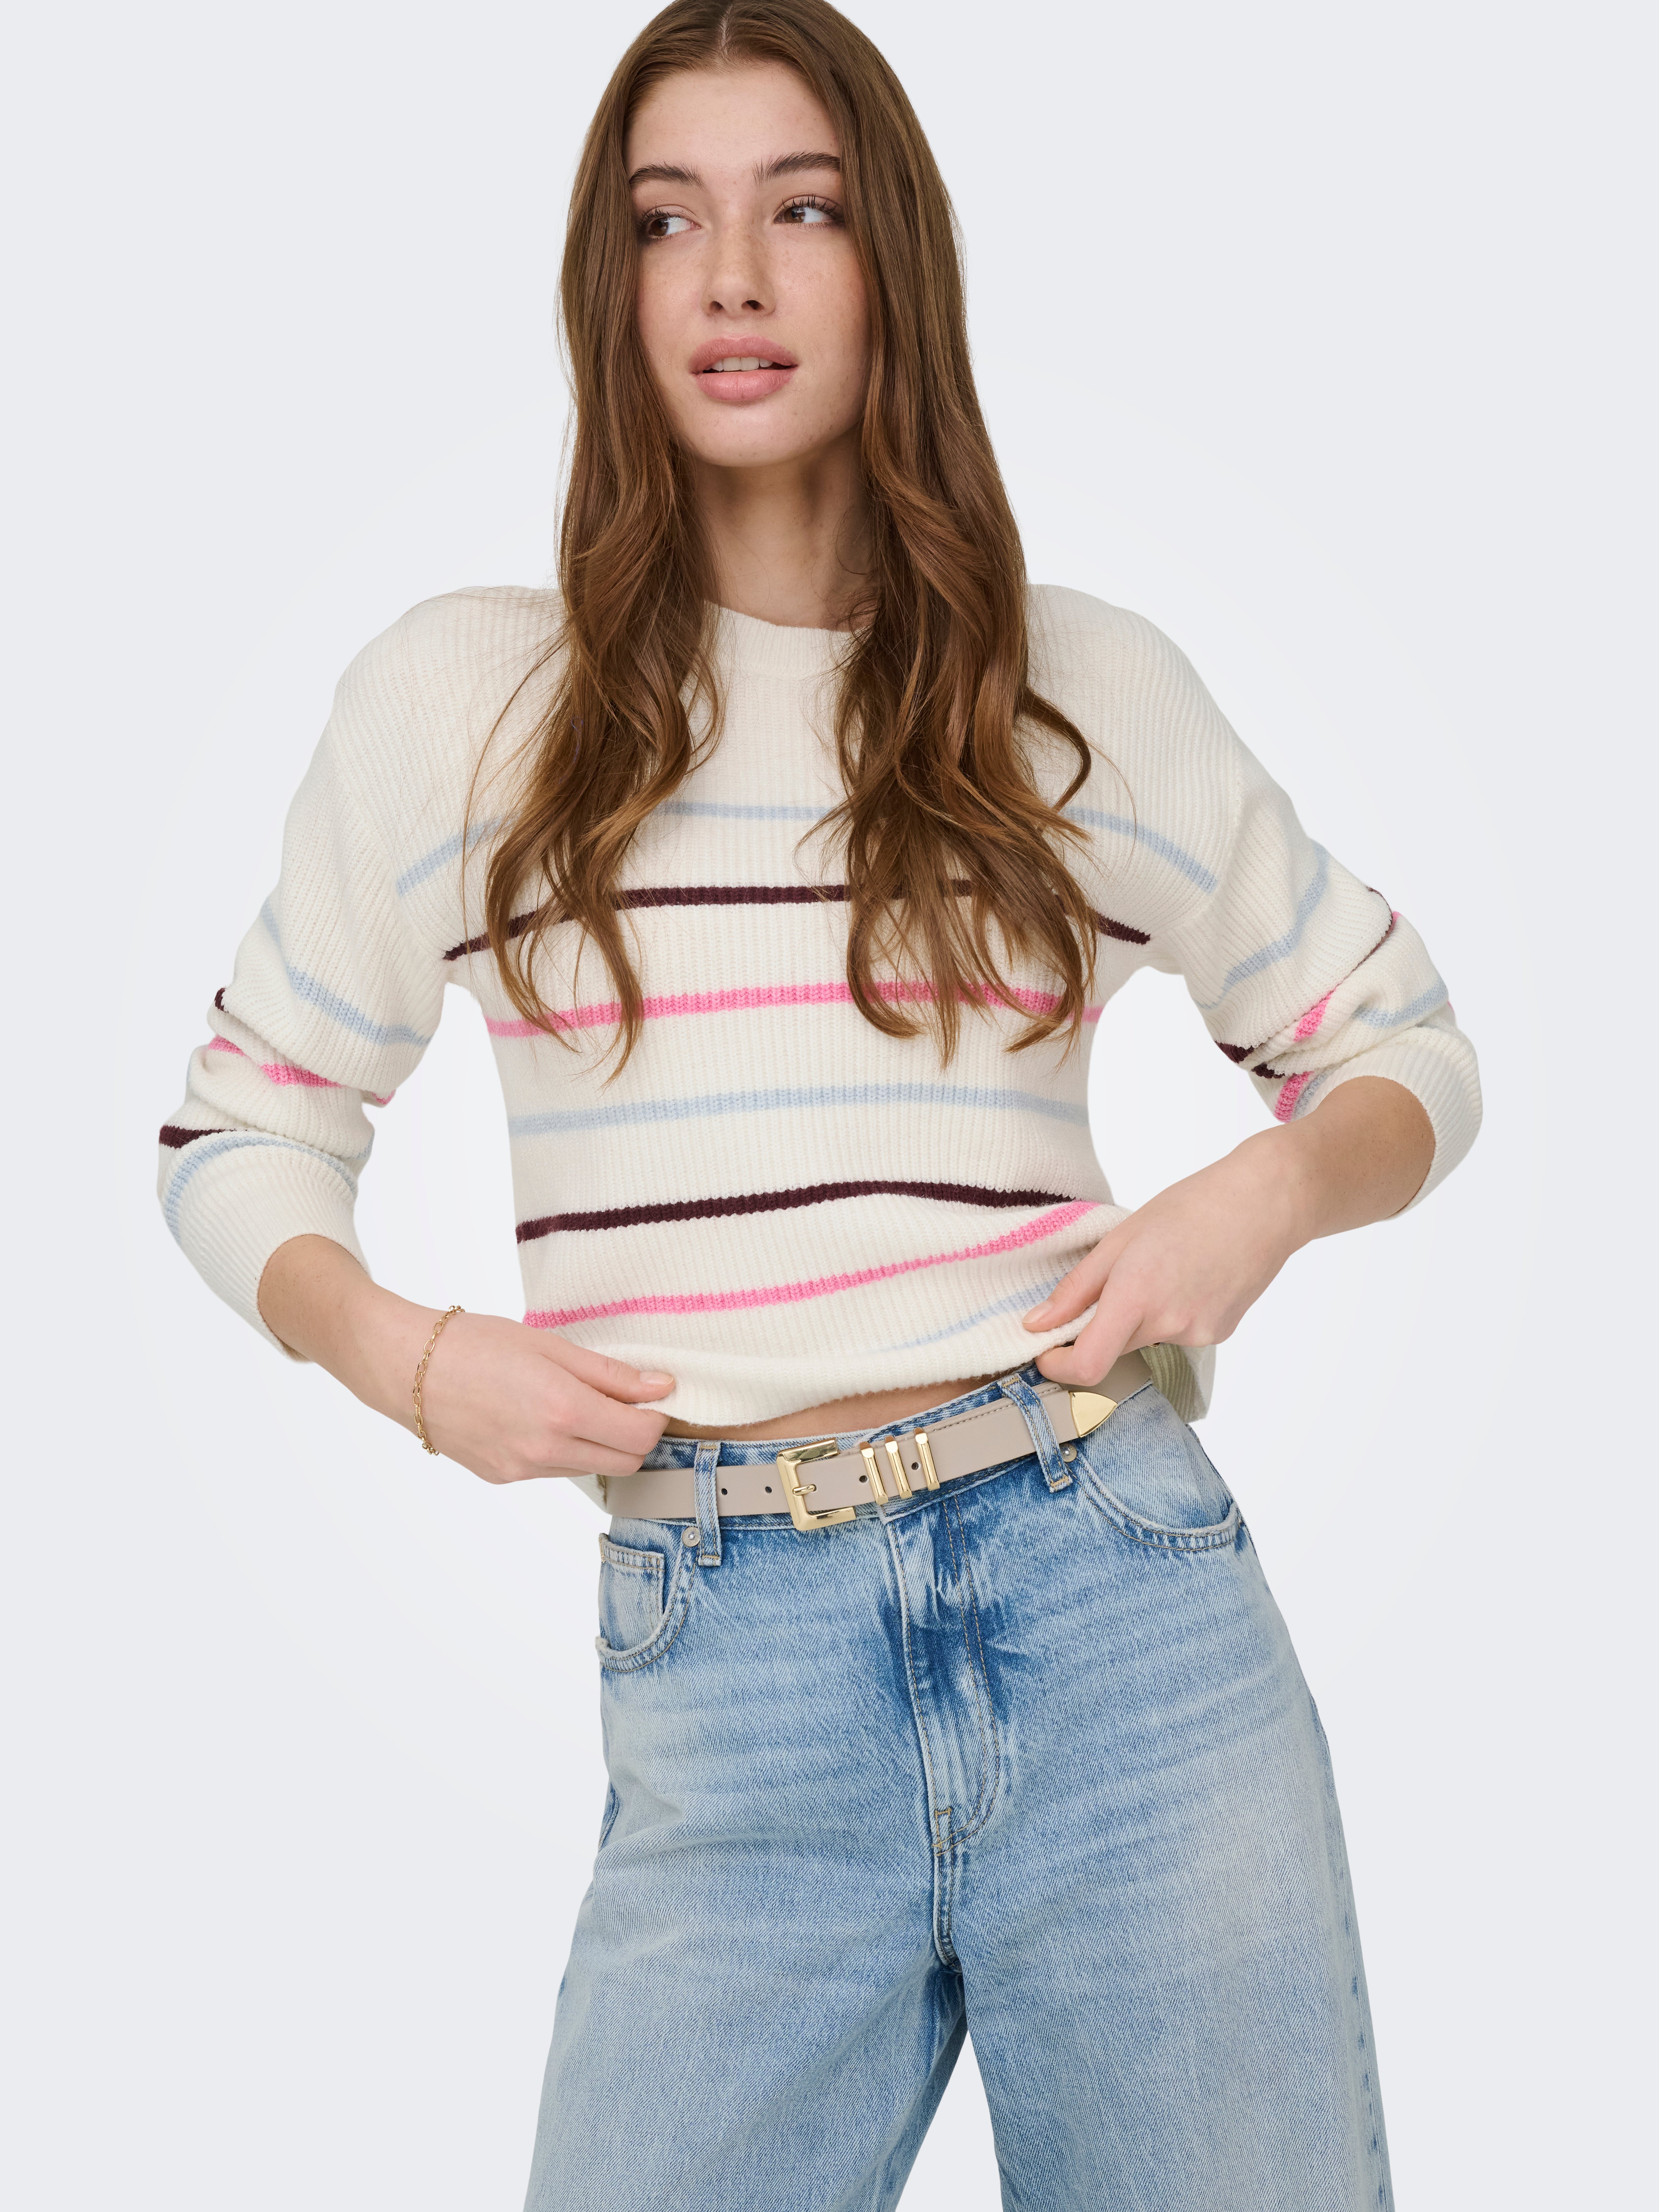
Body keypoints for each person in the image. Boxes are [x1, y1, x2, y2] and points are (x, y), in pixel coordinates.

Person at [157, 2, 1479, 2203]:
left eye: (805, 210)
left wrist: (1255, 1202)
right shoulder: (466, 706)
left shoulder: (1076, 688)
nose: (735, 278)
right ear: (611, 285)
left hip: (1113, 1608)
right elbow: (238, 1131)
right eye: (667, 221)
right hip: (724, 1659)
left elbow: (1402, 1047)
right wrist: (408, 1360)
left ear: (895, 266)